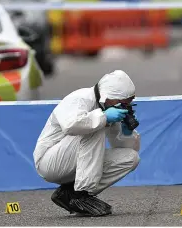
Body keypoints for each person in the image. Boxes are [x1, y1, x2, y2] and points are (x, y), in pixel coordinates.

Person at [33, 70, 140, 217]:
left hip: (73, 164)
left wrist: (126, 133)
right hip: (49, 162)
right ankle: (80, 195)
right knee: (94, 128)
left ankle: (71, 193)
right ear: (107, 97)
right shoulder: (79, 98)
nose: (124, 107)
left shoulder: (106, 108)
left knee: (131, 158)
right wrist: (103, 118)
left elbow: (121, 147)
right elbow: (71, 126)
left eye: (128, 104)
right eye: (122, 103)